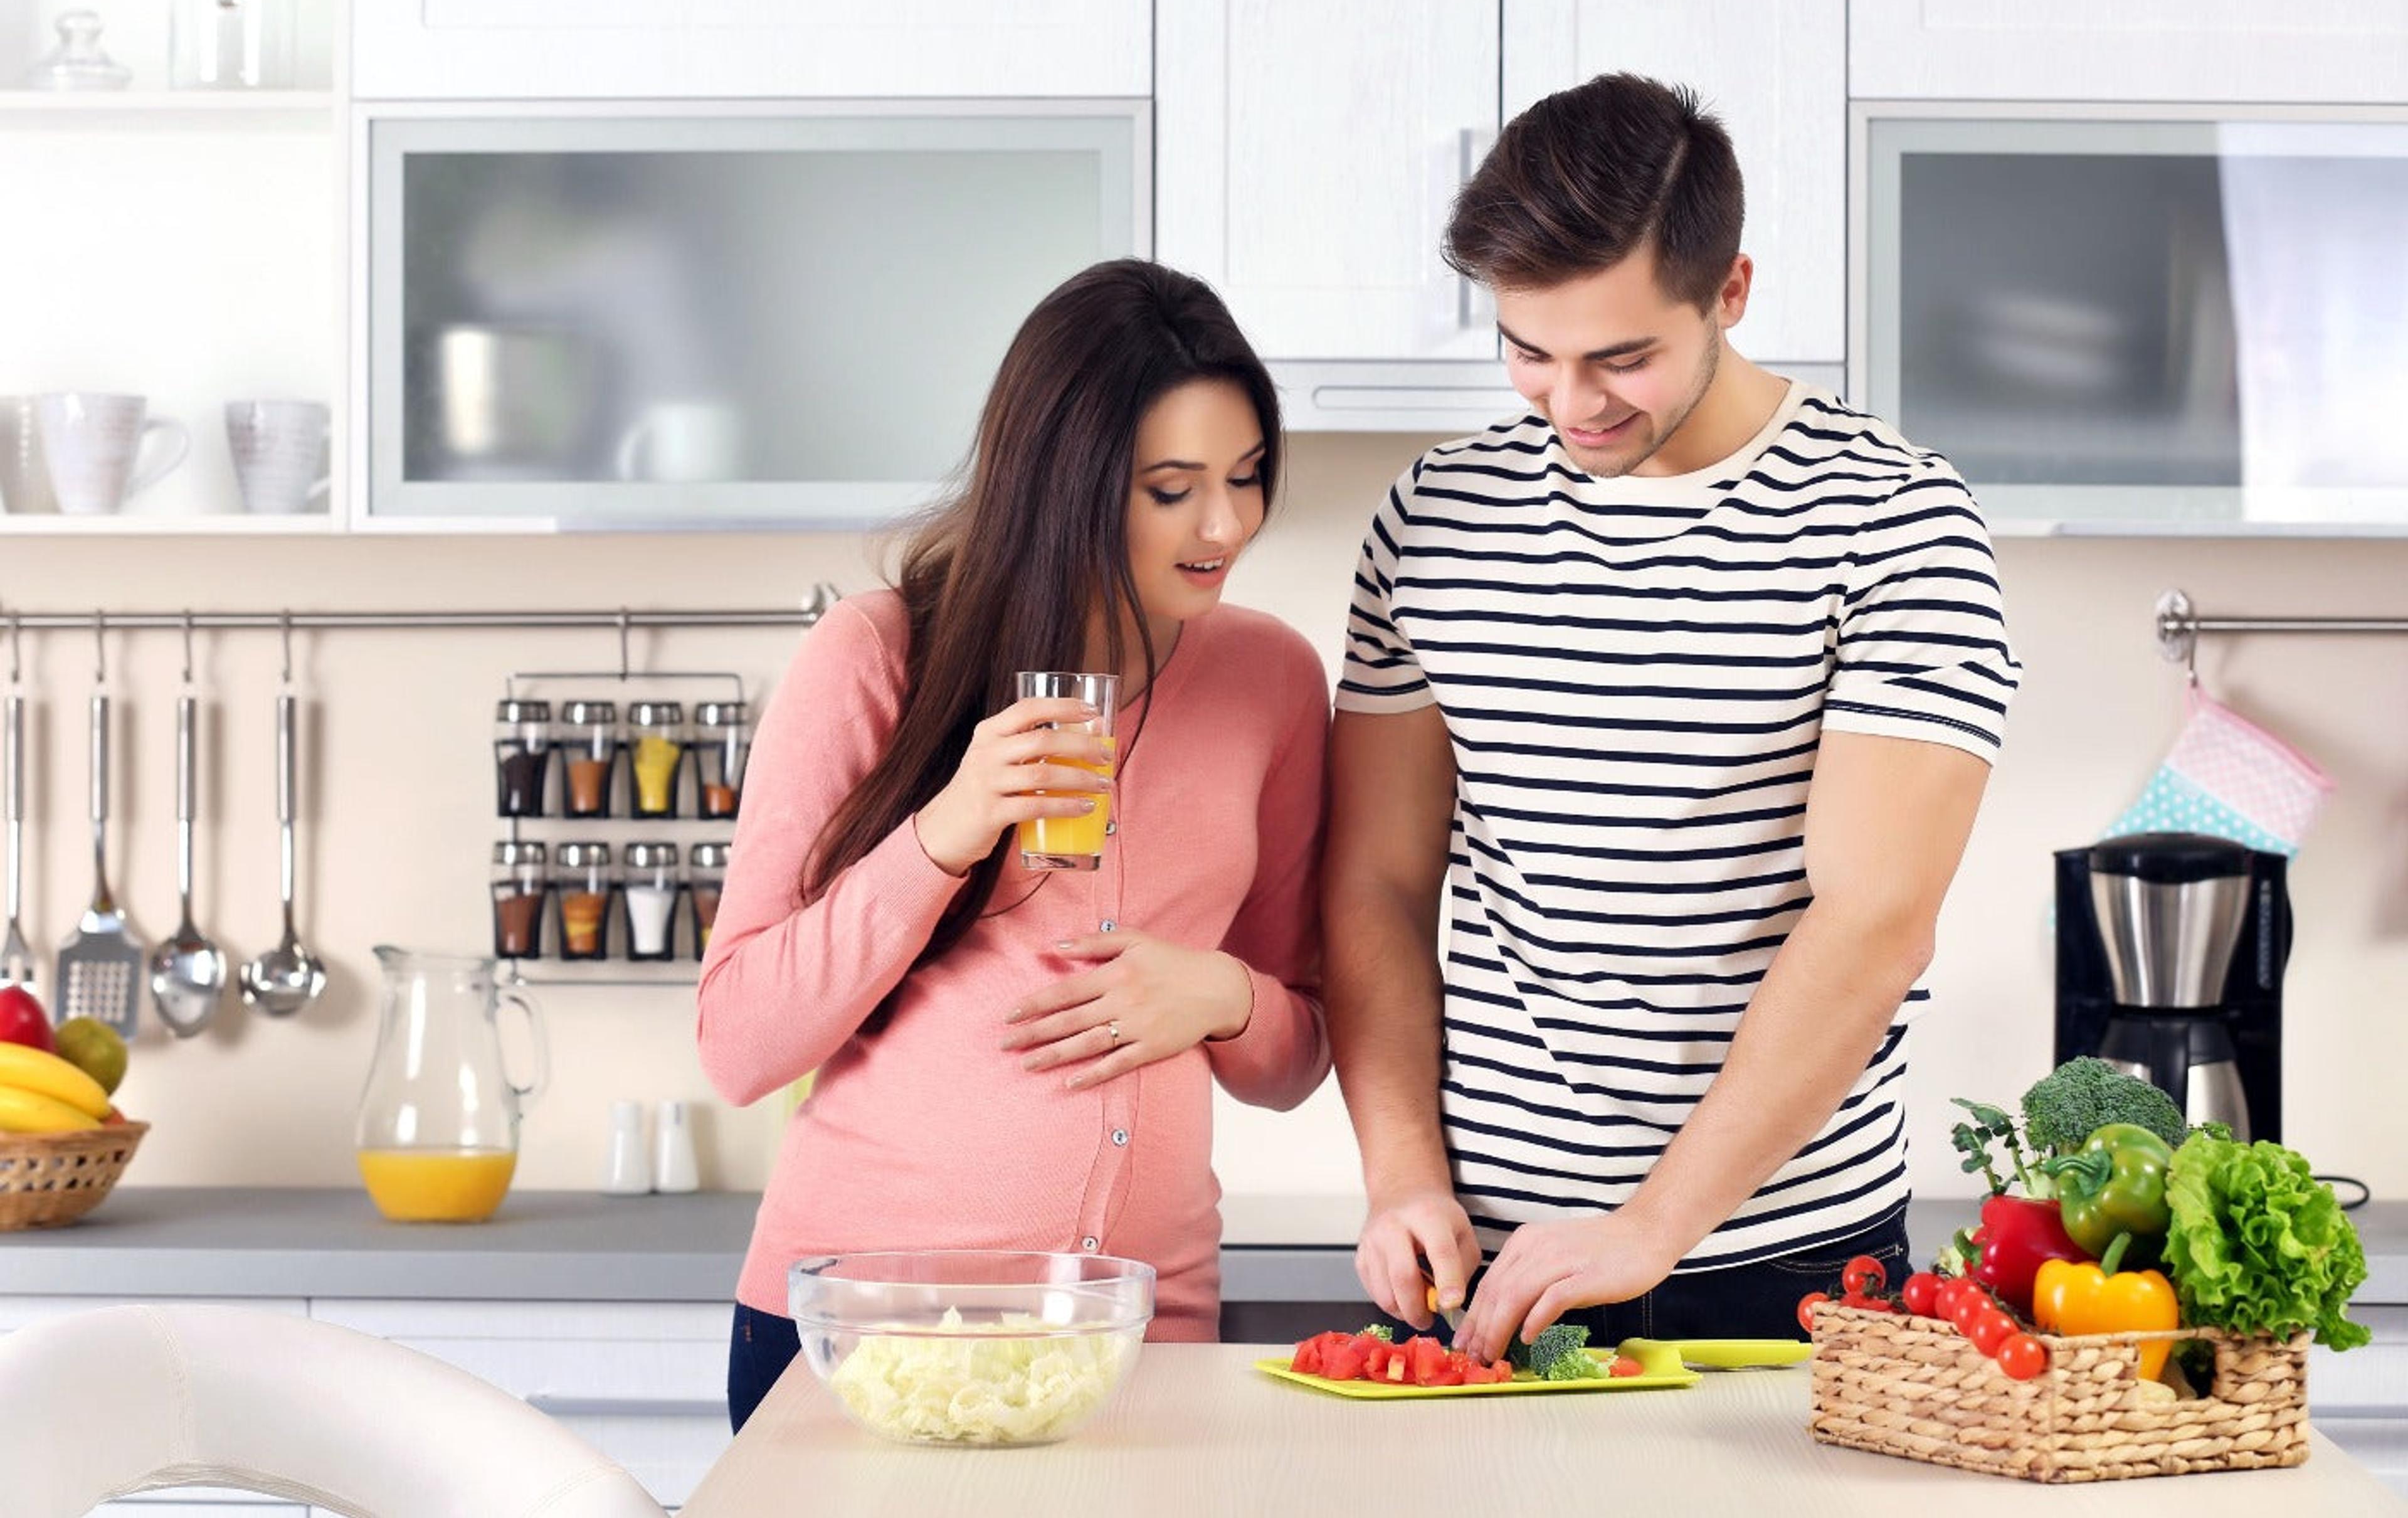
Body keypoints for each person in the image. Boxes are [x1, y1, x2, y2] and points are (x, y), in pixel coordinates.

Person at [1324, 73, 2021, 1363]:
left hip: (1781, 1265)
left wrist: (1654, 1223)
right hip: (1475, 1257)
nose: (1573, 403)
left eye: (1623, 356)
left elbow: (1873, 919)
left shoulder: (1895, 522)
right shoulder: (1436, 518)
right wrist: (1400, 1172)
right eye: (1529, 351)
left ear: (1732, 291)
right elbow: (1374, 875)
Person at [698, 259, 1332, 1430]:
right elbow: (738, 1042)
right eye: (1171, 489)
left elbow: (1297, 1055)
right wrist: (947, 828)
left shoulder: (1273, 682)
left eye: (1246, 477)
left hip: (1134, 1346)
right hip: (864, 1342)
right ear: (1065, 484)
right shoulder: (878, 655)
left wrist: (1224, 998)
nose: (1226, 523)